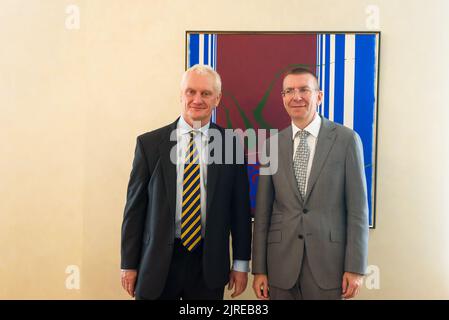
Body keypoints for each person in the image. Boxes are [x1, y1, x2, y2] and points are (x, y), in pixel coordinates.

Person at [121, 64, 252, 300]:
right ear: (181, 95)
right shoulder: (149, 144)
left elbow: (240, 211)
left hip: (209, 264)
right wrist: (128, 264)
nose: (197, 99)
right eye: (190, 92)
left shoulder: (231, 145)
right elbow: (135, 210)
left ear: (217, 99)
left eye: (206, 93)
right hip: (157, 263)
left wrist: (241, 264)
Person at [252, 67, 369, 300]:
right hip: (280, 266)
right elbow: (263, 212)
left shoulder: (346, 140)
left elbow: (358, 210)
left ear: (319, 96)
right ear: (283, 98)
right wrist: (259, 269)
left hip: (330, 265)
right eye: (289, 91)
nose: (296, 97)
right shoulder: (271, 145)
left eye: (304, 89)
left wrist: (355, 267)